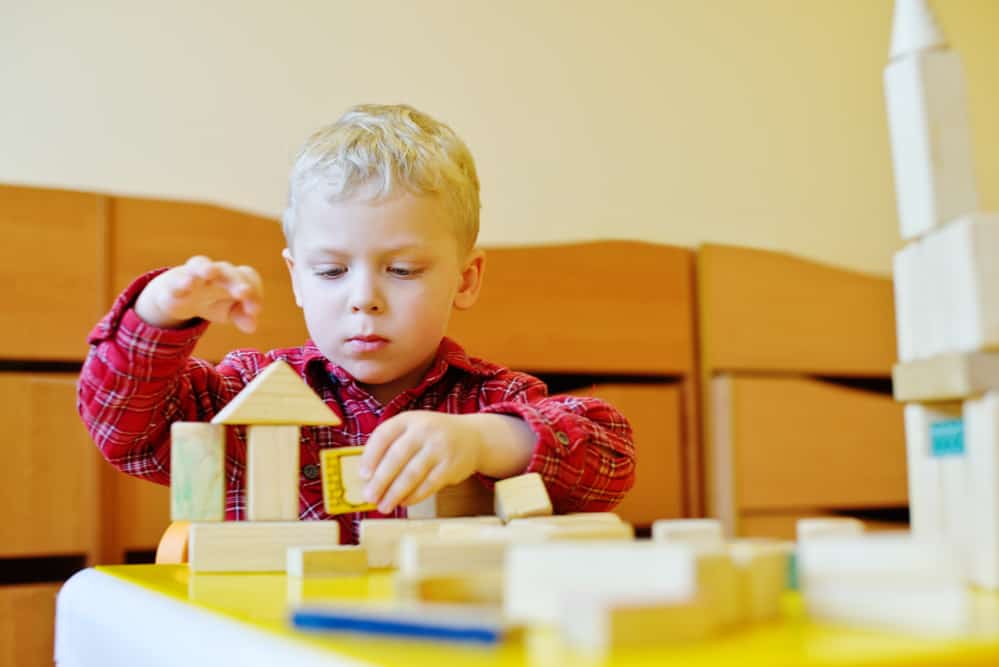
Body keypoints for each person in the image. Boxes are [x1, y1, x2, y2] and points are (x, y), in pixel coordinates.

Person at [77, 104, 635, 542]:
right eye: (331, 271)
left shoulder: (489, 400)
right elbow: (125, 429)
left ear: (464, 280)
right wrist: (157, 313)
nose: (364, 299)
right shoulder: (248, 390)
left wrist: (489, 439)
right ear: (296, 278)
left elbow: (610, 457)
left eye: (401, 269)